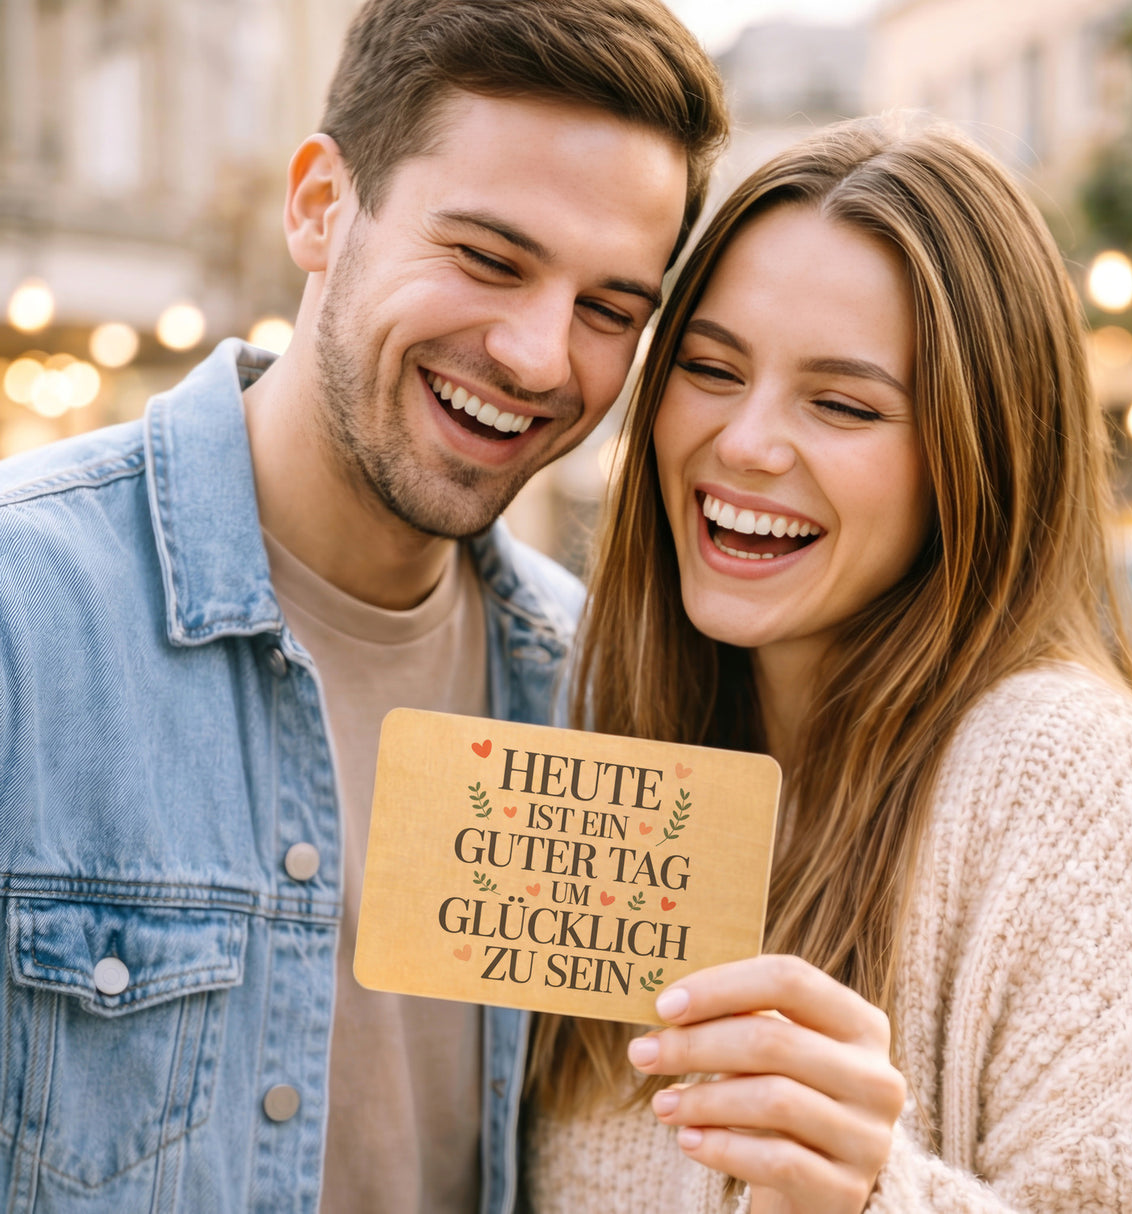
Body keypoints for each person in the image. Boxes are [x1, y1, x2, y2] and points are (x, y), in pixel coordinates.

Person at [0, 2, 727, 1211]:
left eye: (609, 308)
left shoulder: (600, 693)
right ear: (320, 207)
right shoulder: (26, 611)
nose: (541, 356)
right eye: (488, 258)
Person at [524, 115, 1132, 1212]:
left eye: (840, 403)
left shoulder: (1069, 784)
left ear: (972, 455)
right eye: (708, 367)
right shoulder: (609, 725)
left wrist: (869, 1193)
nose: (746, 441)